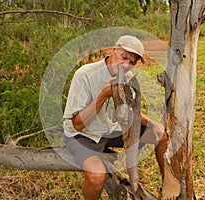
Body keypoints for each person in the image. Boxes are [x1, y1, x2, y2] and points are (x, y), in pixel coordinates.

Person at [63, 35, 167, 200]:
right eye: (123, 57)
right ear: (113, 50)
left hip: (110, 130)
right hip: (83, 136)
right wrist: (103, 96)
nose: (126, 65)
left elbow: (131, 112)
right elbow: (76, 125)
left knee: (161, 135)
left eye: (132, 62)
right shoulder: (85, 74)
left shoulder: (127, 77)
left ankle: (167, 187)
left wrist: (154, 125)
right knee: (96, 178)